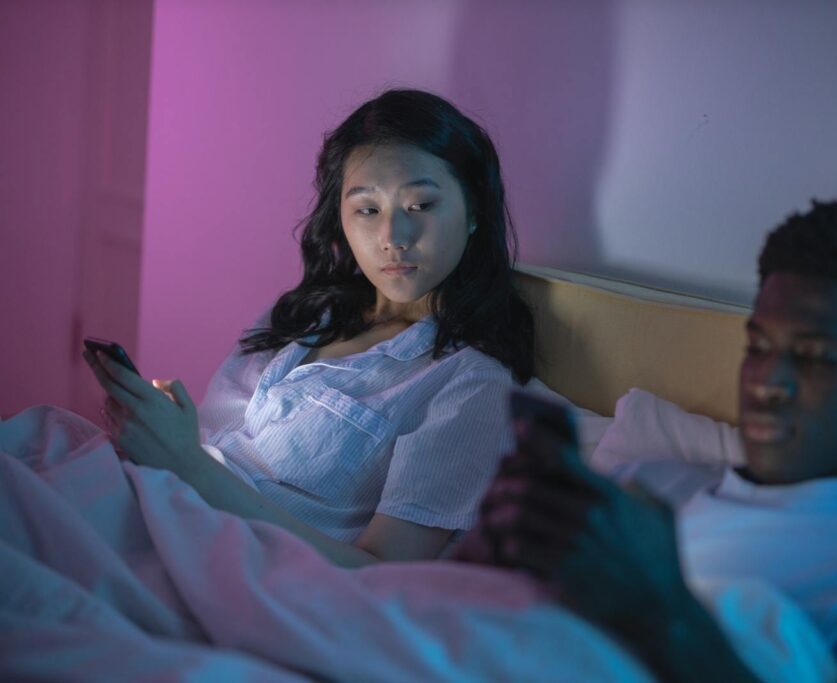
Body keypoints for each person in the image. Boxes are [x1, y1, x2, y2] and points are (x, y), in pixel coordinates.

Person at [470, 195, 837, 681]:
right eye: (758, 348)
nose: (766, 383)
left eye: (813, 358)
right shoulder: (647, 485)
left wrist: (663, 614)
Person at [82, 88, 534, 568]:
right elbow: (211, 447)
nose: (393, 239)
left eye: (420, 206)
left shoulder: (469, 383)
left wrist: (186, 464)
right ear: (339, 218)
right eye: (367, 210)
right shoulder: (299, 317)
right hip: (145, 500)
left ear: (473, 215)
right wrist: (157, 434)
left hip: (217, 557)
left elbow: (380, 572)